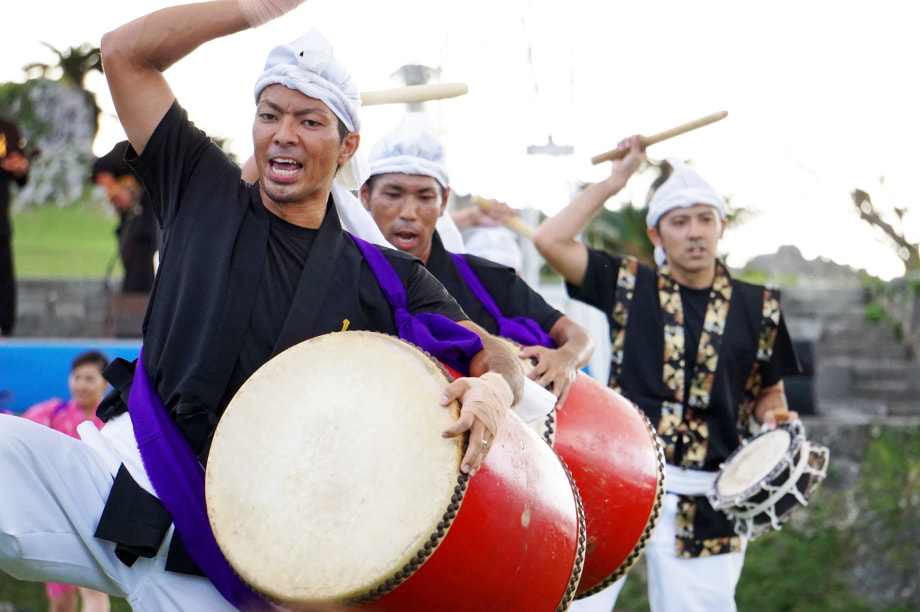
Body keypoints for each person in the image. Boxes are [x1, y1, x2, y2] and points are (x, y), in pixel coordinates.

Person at [0, 2, 523, 610]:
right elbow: (123, 53)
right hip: (119, 473)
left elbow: (493, 353)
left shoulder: (385, 276)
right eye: (270, 114)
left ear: (347, 143)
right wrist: (247, 10)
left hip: (245, 551)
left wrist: (496, 391)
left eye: (309, 121)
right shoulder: (200, 185)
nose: (284, 133)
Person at [533, 135, 801, 612]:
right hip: (618, 478)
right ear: (657, 234)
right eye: (679, 221)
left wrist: (775, 419)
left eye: (705, 219)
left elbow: (768, 393)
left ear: (721, 227)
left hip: (711, 496)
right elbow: (549, 239)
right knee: (571, 603)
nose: (694, 232)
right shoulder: (628, 285)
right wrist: (617, 179)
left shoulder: (761, 308)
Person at [361, 113, 594, 408]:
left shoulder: (486, 278)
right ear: (366, 196)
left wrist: (567, 358)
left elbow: (578, 334)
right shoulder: (348, 274)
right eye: (393, 195)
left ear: (444, 201)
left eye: (424, 197)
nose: (409, 212)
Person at [21, 350, 113, 612]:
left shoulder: (112, 422)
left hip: (96, 516)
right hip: (55, 518)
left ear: (105, 383)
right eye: (77, 377)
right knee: (61, 601)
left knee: (94, 590)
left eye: (89, 378)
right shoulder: (50, 413)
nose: (81, 384)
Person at [91, 141, 160, 294]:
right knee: (137, 282)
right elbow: (100, 168)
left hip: (155, 229)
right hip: (137, 230)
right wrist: (116, 190)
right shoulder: (133, 146)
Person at [0, 117, 31, 337]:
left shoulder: (8, 129)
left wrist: (20, 167)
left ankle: (4, 332)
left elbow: (21, 178)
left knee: (3, 283)